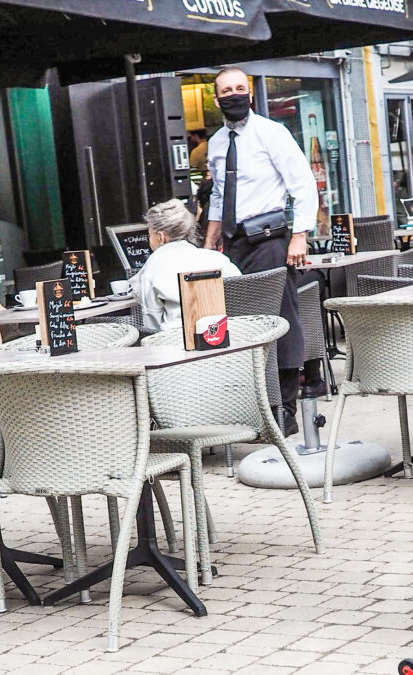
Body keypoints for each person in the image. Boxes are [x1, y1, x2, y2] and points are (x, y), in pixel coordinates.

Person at [204, 67, 317, 436]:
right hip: (233, 246)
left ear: (250, 94)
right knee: (242, 327)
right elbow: (220, 196)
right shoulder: (218, 143)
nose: (233, 94)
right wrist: (208, 244)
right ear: (216, 98)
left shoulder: (272, 133)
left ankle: (285, 411)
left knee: (280, 321)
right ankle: (258, 407)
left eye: (240, 88)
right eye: (226, 90)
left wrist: (299, 237)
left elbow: (302, 185)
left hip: (270, 241)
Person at [132, 199, 240, 332]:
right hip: (229, 339)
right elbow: (240, 296)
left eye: (150, 235)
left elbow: (152, 325)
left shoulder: (153, 268)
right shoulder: (218, 259)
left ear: (161, 237)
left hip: (175, 345)